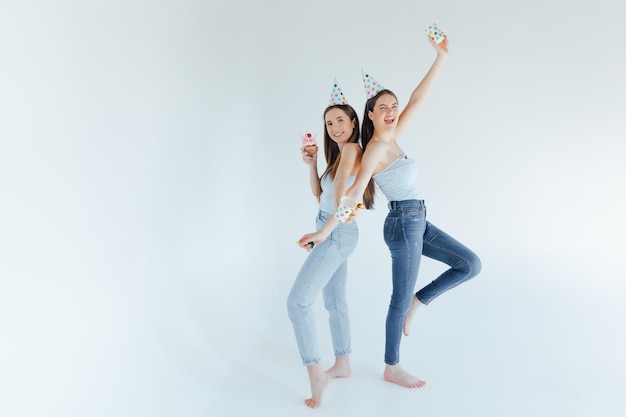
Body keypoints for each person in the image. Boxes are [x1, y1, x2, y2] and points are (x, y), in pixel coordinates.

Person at [298, 35, 481, 389]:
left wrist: (441, 56)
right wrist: (324, 231)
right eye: (382, 107)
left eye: (393, 105)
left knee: (469, 264)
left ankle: (419, 300)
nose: (391, 110)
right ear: (370, 114)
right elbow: (351, 195)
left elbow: (418, 98)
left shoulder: (395, 135)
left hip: (419, 219)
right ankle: (392, 366)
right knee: (398, 298)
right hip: (402, 223)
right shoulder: (374, 150)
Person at [287, 80, 375, 408]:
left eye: (340, 120)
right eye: (329, 123)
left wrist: (324, 232)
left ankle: (316, 374)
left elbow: (344, 199)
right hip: (334, 229)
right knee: (335, 302)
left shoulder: (352, 150)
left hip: (337, 232)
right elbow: (320, 196)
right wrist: (312, 165)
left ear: (354, 122)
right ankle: (343, 363)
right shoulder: (338, 157)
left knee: (297, 303)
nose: (335, 127)